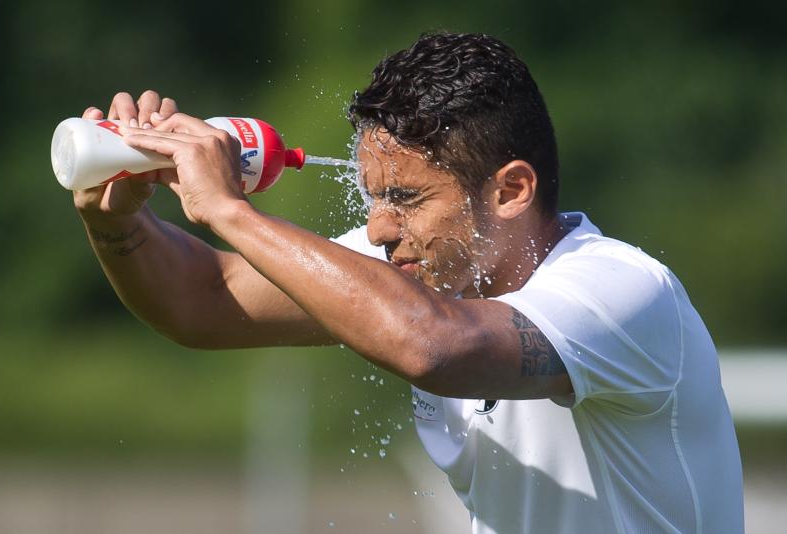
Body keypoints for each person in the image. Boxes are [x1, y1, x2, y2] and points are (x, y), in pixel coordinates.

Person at [73, 32, 744, 534]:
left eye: (406, 198)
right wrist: (116, 221)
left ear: (511, 190)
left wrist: (229, 211)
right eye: (372, 197)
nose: (377, 228)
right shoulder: (432, 268)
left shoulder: (622, 291)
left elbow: (433, 347)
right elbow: (205, 301)